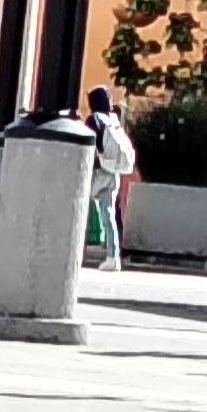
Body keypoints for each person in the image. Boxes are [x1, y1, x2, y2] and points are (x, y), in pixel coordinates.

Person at [85, 84, 136, 273]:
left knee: (82, 211)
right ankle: (113, 256)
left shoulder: (94, 120)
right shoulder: (112, 120)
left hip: (96, 171)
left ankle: (77, 250)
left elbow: (89, 144)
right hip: (113, 171)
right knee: (109, 215)